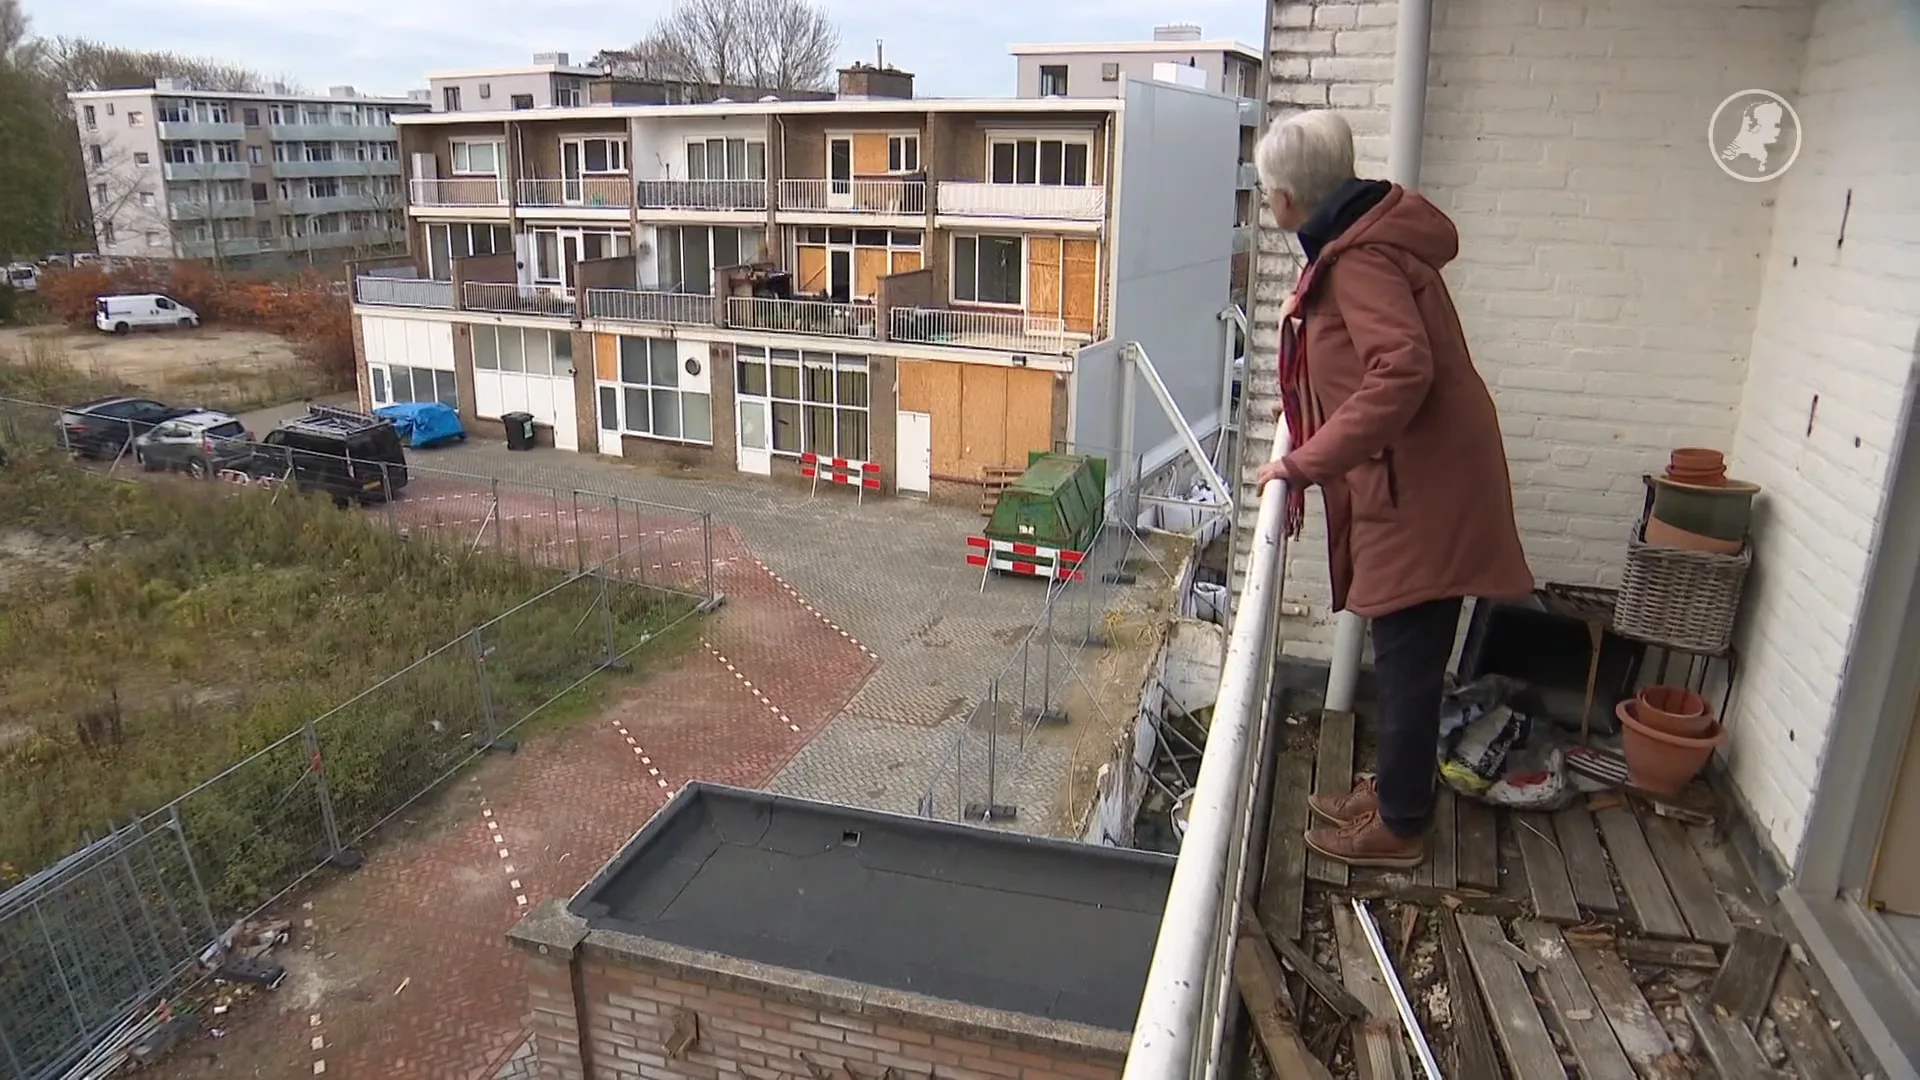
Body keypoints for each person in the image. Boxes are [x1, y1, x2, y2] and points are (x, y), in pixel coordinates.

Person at [1252, 111, 1534, 868]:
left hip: (1421, 487)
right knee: (1405, 647)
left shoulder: (1358, 262)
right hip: (1420, 476)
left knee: (1406, 654)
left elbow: (1400, 371)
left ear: (1286, 199)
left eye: (1266, 193)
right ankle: (1398, 788)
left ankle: (1403, 827)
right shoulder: (1357, 245)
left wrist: (1304, 460)